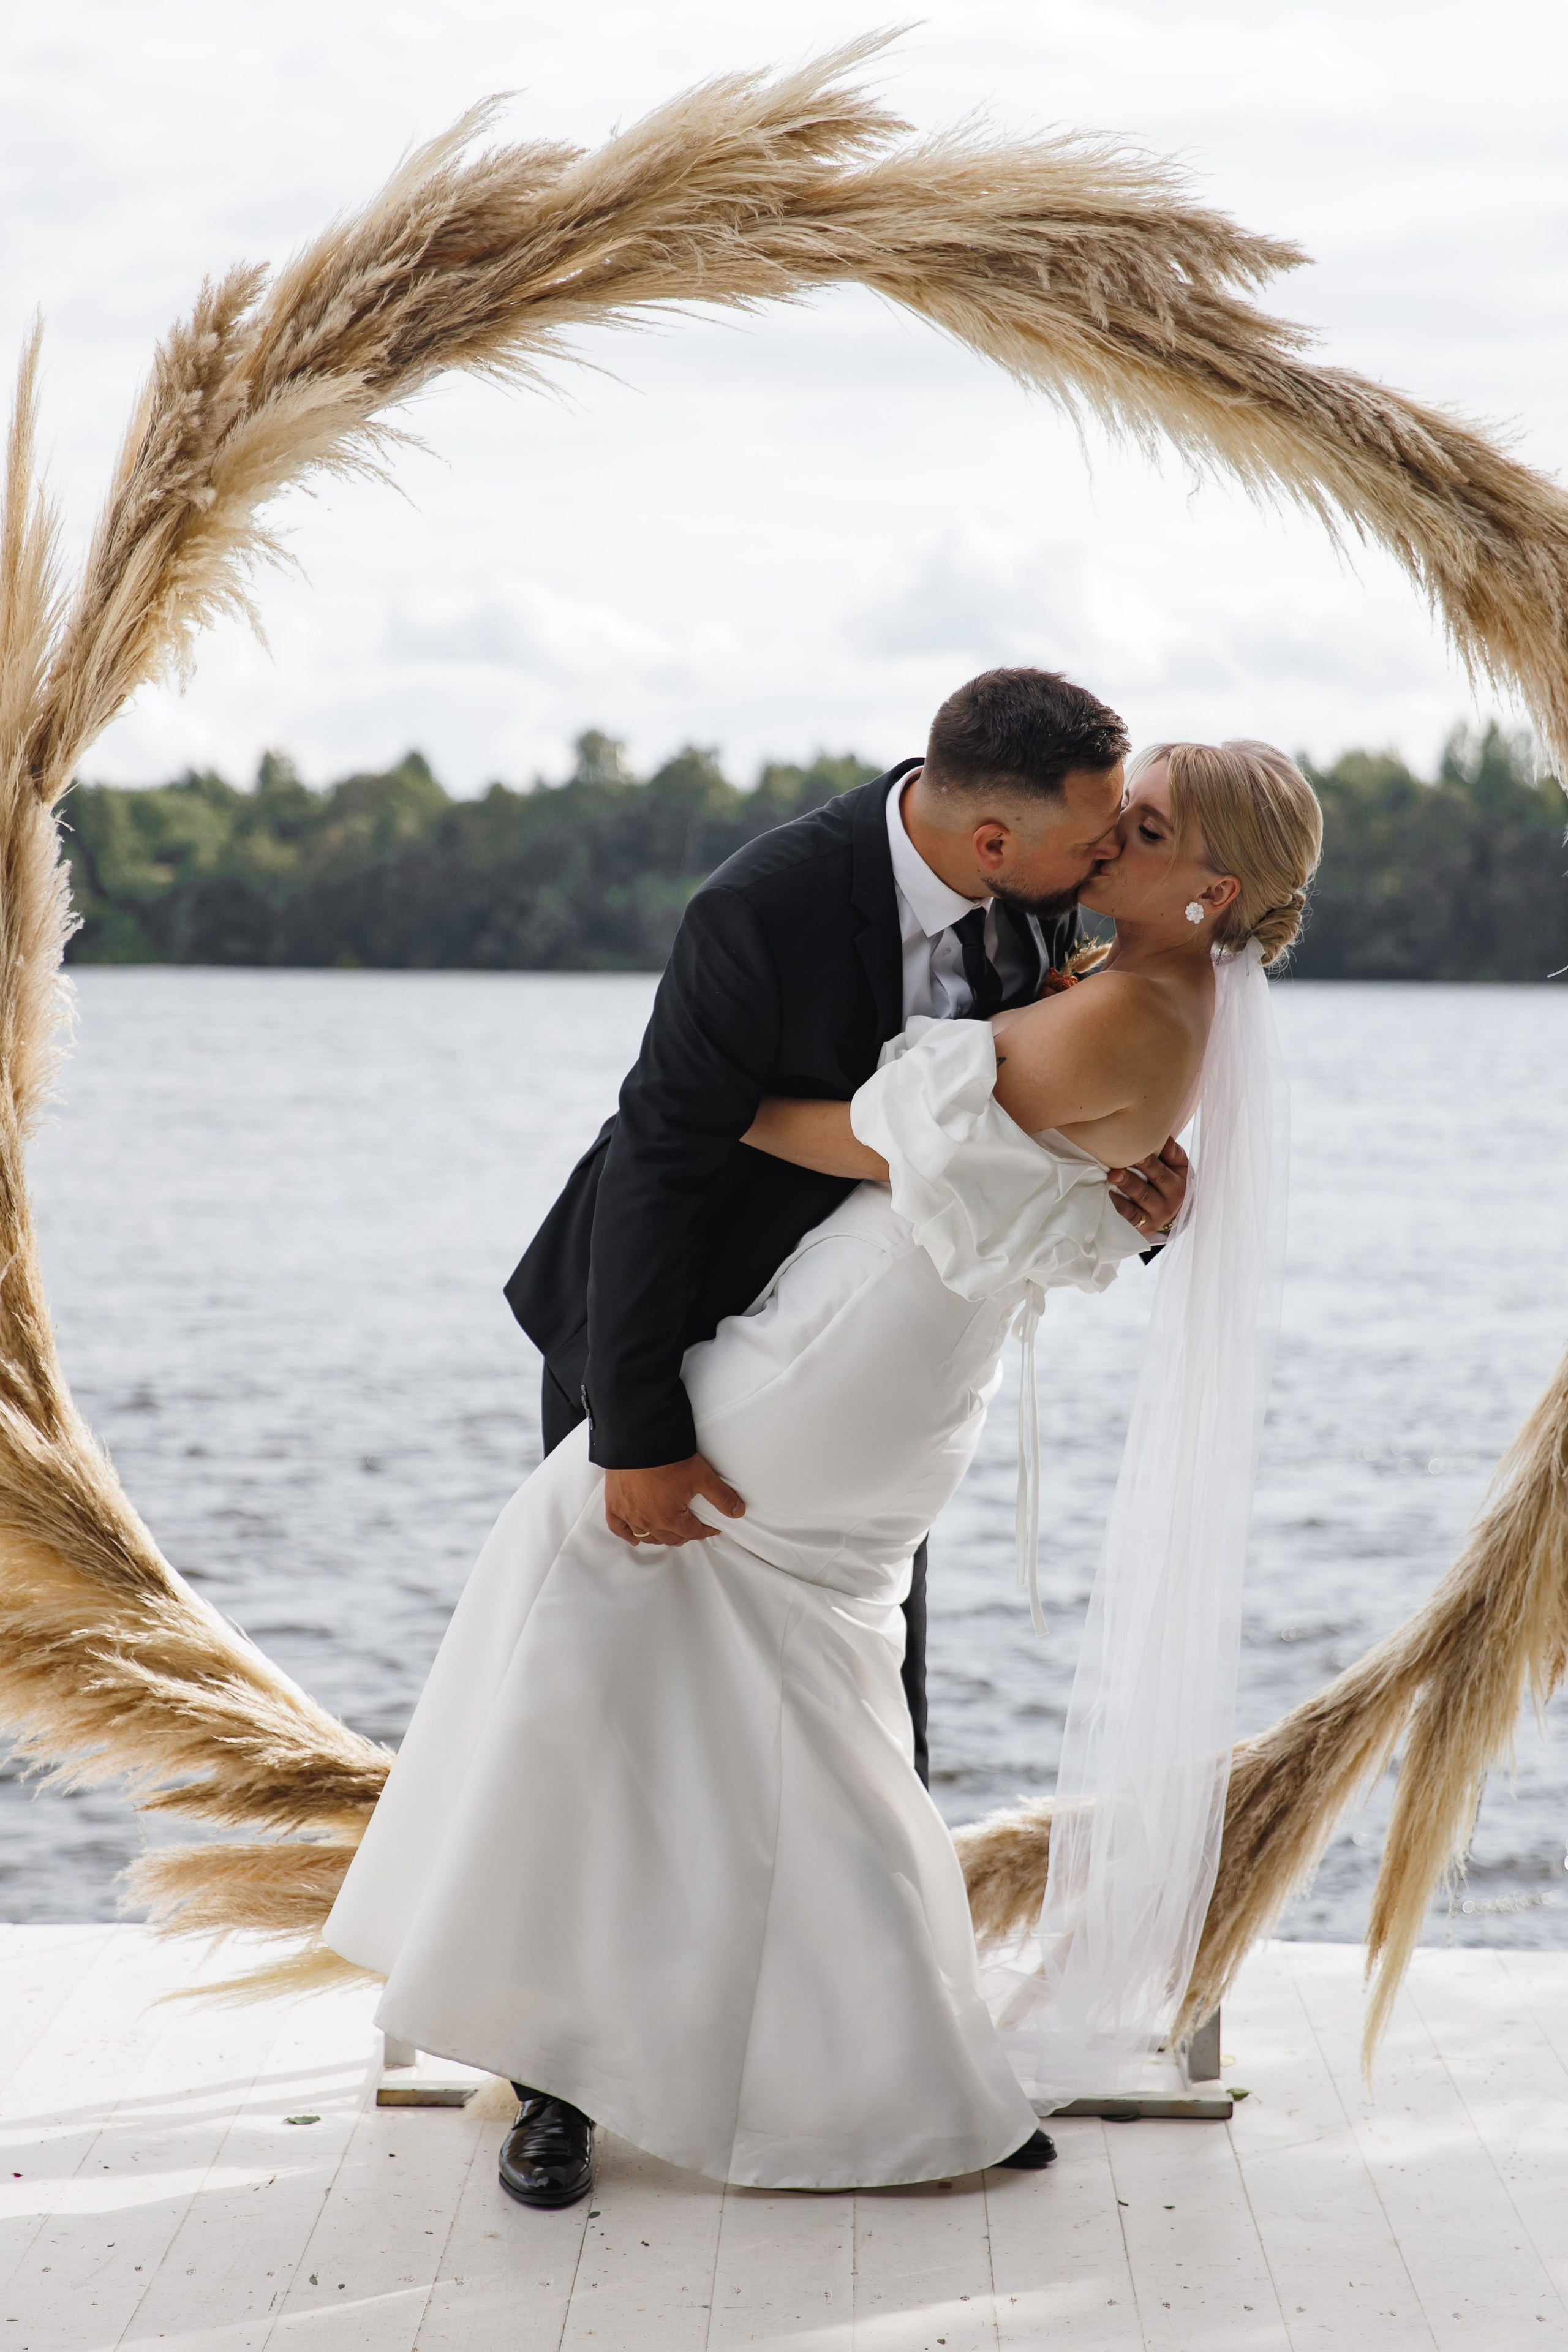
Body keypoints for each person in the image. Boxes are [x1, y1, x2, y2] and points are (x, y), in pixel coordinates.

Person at [322, 735, 1322, 2206]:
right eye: (1108, 818)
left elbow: (845, 1131)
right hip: (685, 1323)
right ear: (993, 835)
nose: (1108, 841)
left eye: (1143, 824)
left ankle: (746, 2056)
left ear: (1207, 882)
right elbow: (989, 1167)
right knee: (767, 1685)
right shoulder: (788, 904)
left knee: (601, 1599)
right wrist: (639, 1425)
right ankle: (616, 2079)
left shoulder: (1089, 945)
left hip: (840, 1361)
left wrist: (750, 1107)